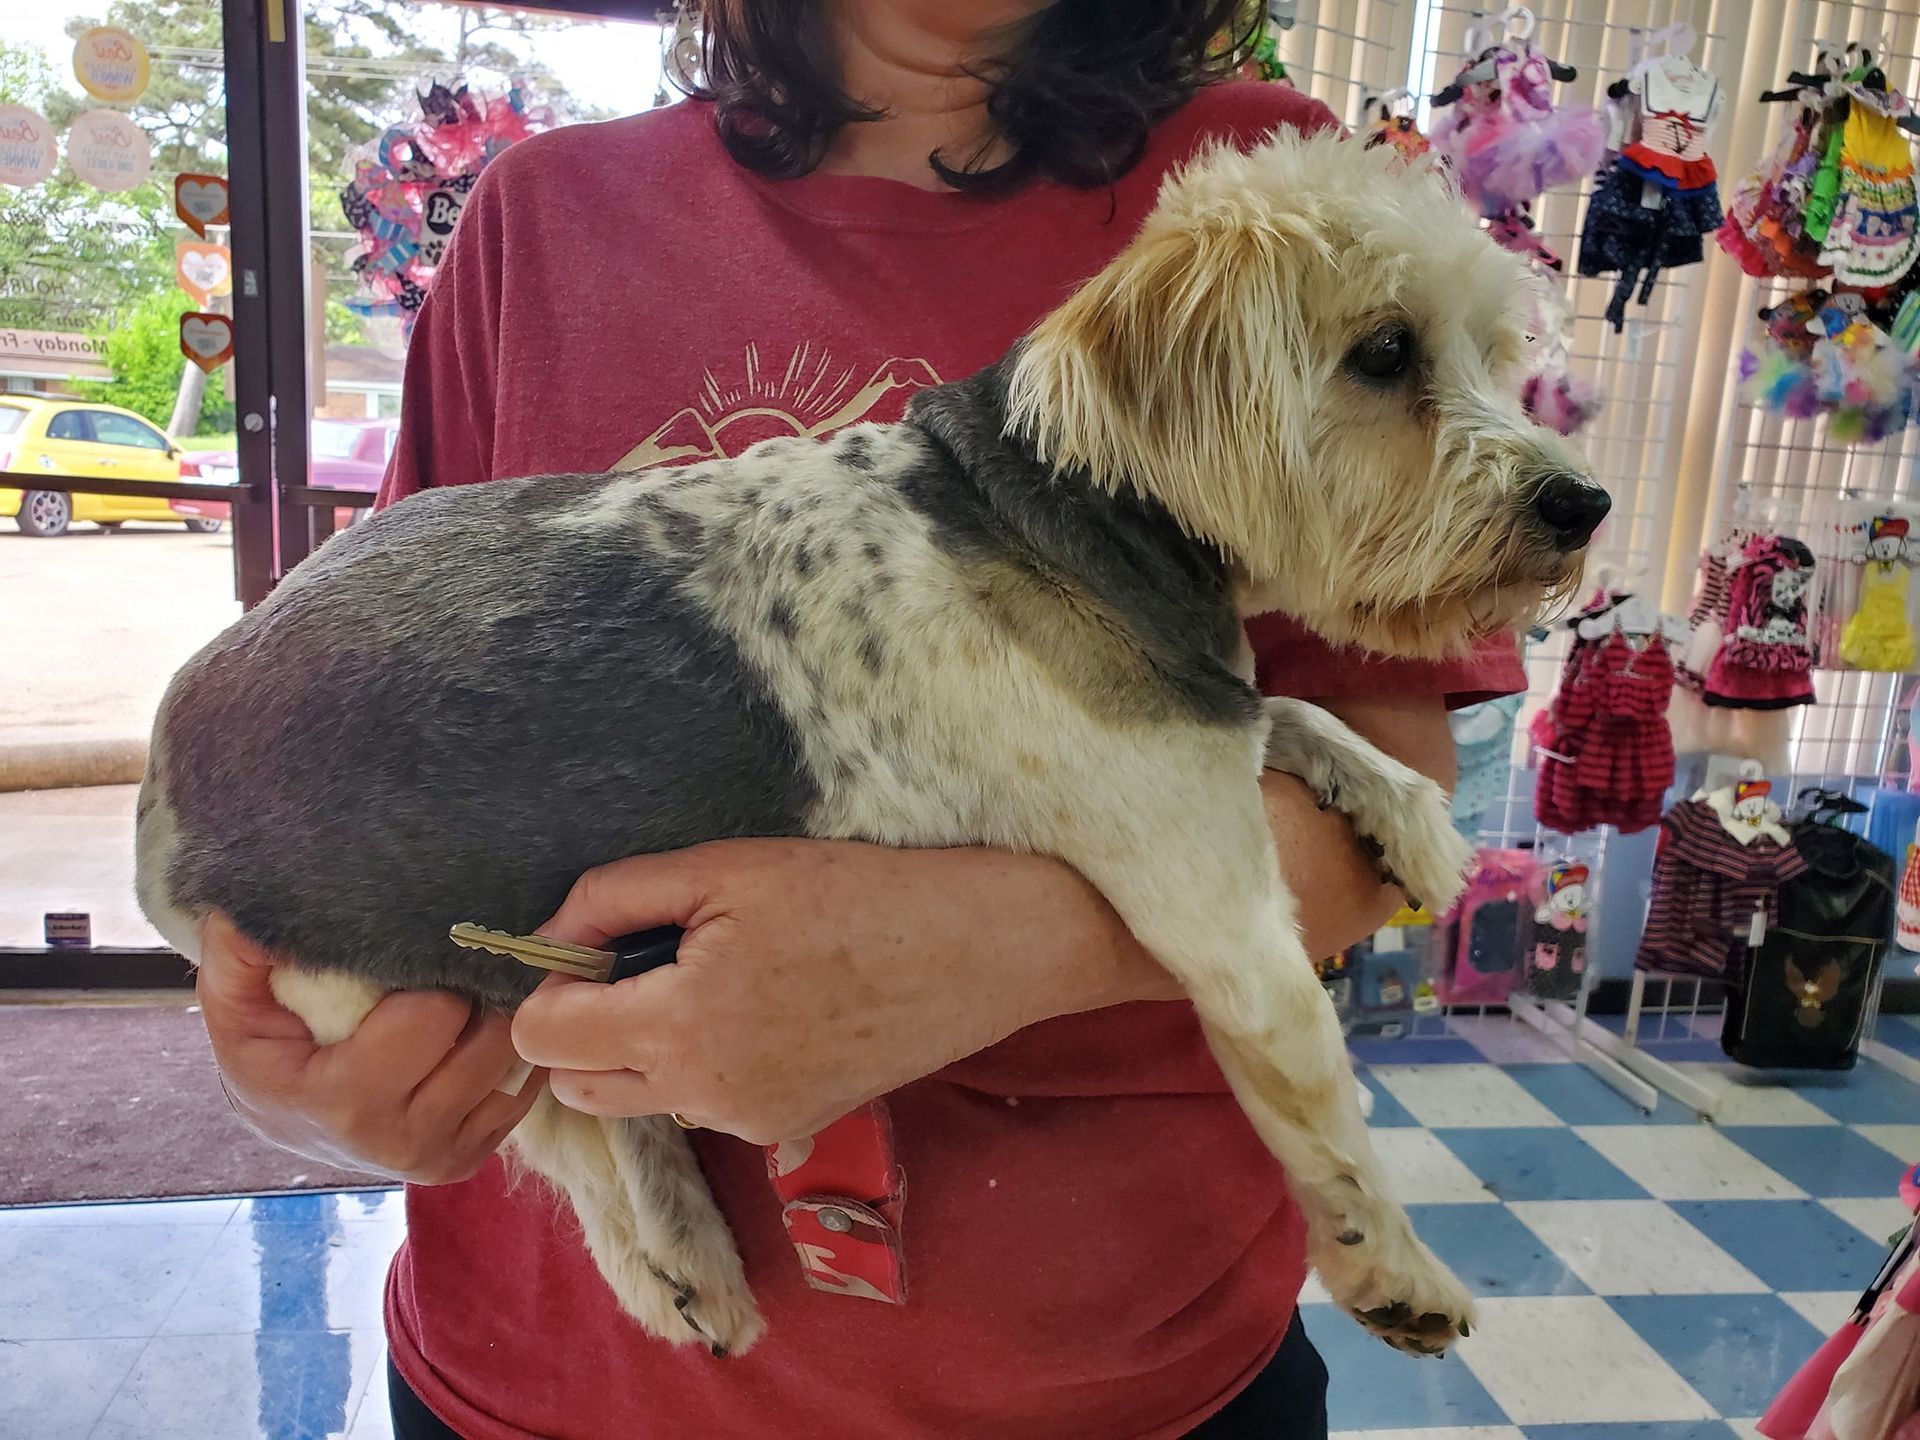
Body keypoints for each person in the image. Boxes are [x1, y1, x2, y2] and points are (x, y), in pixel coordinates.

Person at [194, 3, 1523, 1436]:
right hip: (549, 1372)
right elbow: (386, 743)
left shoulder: (1274, 194)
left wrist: (970, 949)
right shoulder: (541, 218)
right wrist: (333, 1081)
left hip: (1106, 1382)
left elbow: (1391, 805)